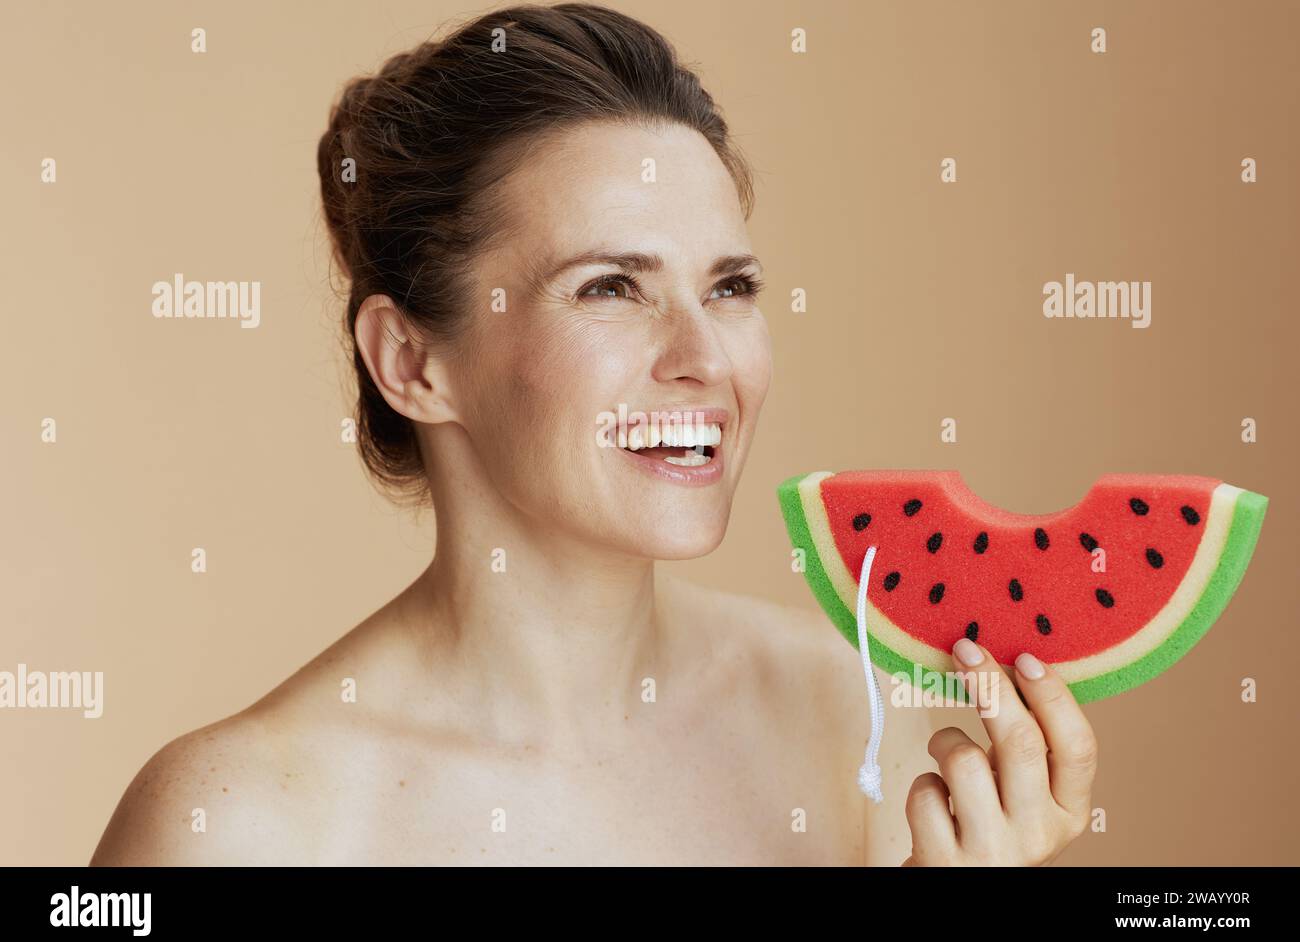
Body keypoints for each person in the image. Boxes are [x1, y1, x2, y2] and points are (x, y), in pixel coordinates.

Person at [91, 2, 1096, 866]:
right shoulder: (233, 822)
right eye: (610, 287)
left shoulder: (851, 713)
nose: (704, 354)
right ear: (410, 360)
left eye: (729, 287)